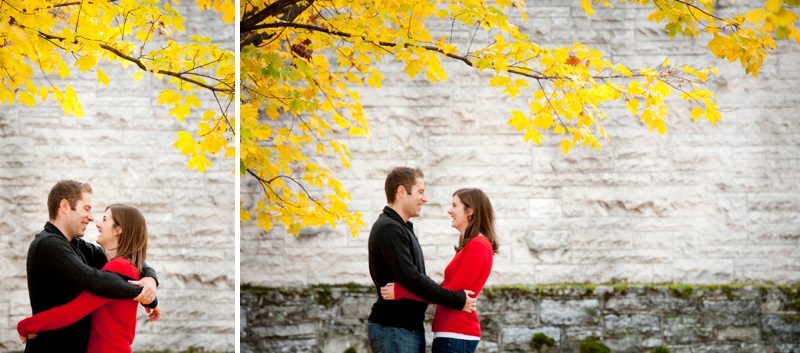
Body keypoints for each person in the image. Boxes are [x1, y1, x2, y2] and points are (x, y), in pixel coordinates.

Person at [22, 181, 161, 353]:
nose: (92, 217)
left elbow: (127, 260)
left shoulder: (79, 246)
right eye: (86, 208)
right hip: (52, 347)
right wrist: (142, 294)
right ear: (65, 206)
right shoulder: (48, 244)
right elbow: (96, 281)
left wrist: (150, 279)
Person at [367, 167, 478, 353]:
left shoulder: (401, 228)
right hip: (395, 329)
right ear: (402, 192)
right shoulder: (390, 229)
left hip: (404, 329)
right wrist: (457, 300)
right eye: (420, 191)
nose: (425, 198)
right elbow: (412, 279)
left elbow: (413, 280)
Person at [381, 188, 499, 353]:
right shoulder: (470, 246)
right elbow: (445, 290)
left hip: (457, 332)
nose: (449, 210)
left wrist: (402, 292)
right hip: (451, 332)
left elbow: (451, 294)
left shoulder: (478, 245)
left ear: (470, 210)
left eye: (454, 205)